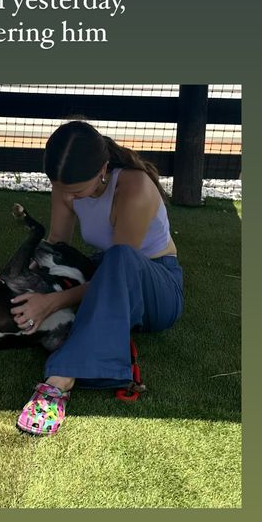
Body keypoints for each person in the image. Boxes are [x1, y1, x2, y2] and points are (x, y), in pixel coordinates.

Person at [12, 120, 184, 436]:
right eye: (61, 189)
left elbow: (119, 270)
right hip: (105, 271)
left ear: (104, 168)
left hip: (157, 287)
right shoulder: (65, 185)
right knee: (42, 280)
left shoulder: (135, 188)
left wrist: (51, 302)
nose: (69, 197)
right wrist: (31, 274)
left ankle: (61, 379)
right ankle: (93, 338)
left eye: (77, 191)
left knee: (118, 258)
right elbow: (58, 242)